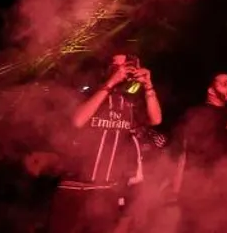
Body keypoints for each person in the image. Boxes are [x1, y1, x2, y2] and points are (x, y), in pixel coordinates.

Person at [49, 53, 162, 233]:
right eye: (118, 66)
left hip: (106, 191)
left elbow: (156, 119)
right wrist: (110, 83)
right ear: (107, 69)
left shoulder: (130, 101)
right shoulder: (90, 91)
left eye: (128, 66)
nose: (124, 70)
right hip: (74, 188)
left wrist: (148, 85)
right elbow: (78, 120)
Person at [174, 73, 227, 233]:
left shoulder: (192, 113)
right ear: (211, 91)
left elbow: (183, 153)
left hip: (191, 187)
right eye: (225, 84)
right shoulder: (220, 114)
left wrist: (177, 188)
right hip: (211, 190)